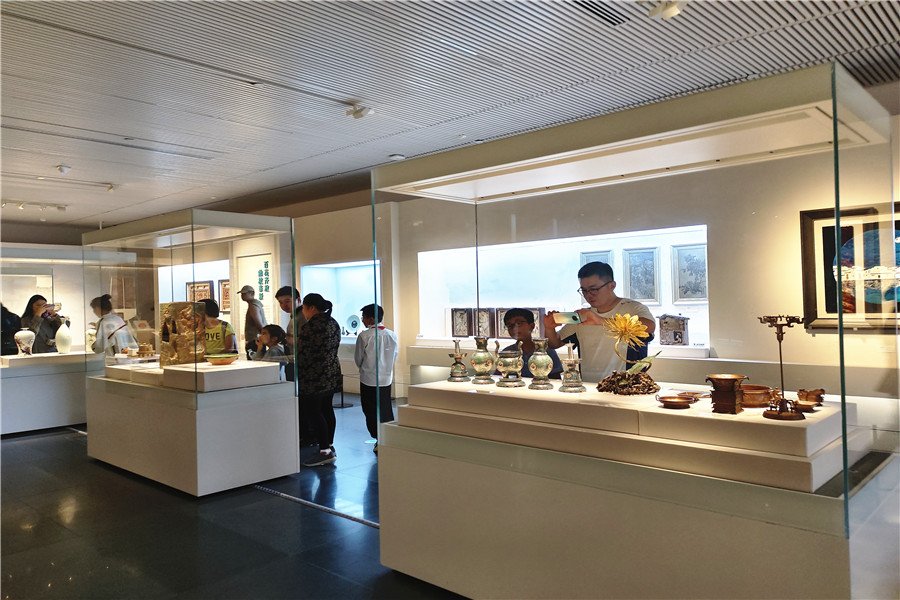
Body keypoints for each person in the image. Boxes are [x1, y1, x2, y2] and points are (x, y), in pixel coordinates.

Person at [543, 261, 655, 382]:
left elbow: (649, 326)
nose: (588, 295)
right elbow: (554, 343)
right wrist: (549, 328)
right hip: (589, 386)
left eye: (594, 289)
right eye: (584, 290)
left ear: (612, 286)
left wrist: (601, 320)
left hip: (626, 387)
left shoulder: (632, 308)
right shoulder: (583, 315)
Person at [297, 293, 342, 467]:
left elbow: (303, 353)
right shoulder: (333, 322)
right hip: (331, 373)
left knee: (315, 413)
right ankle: (329, 445)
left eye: (304, 309)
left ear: (311, 307)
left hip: (314, 377)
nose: (304, 312)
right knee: (327, 409)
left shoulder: (311, 326)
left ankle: (324, 451)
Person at [354, 303, 399, 453]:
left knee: (370, 410)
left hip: (368, 378)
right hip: (386, 378)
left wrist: (364, 368)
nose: (362, 320)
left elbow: (358, 358)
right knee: (385, 409)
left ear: (371, 318)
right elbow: (395, 356)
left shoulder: (364, 336)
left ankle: (378, 438)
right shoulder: (391, 335)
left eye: (364, 317)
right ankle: (387, 438)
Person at [501, 308, 564, 379]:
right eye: (509, 325)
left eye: (518, 323)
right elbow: (500, 377)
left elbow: (556, 378)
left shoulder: (546, 350)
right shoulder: (507, 352)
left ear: (532, 326)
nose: (514, 328)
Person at [275, 286, 307, 381]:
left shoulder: (301, 317)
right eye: (281, 302)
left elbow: (304, 341)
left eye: (287, 301)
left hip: (299, 362)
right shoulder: (295, 316)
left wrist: (284, 337)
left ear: (298, 300)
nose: (284, 305)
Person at [239, 285, 267, 359]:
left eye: (244, 293)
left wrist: (263, 335)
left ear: (252, 293)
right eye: (242, 294)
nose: (242, 295)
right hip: (257, 340)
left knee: (255, 362)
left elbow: (258, 323)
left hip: (255, 340)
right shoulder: (254, 304)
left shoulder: (253, 306)